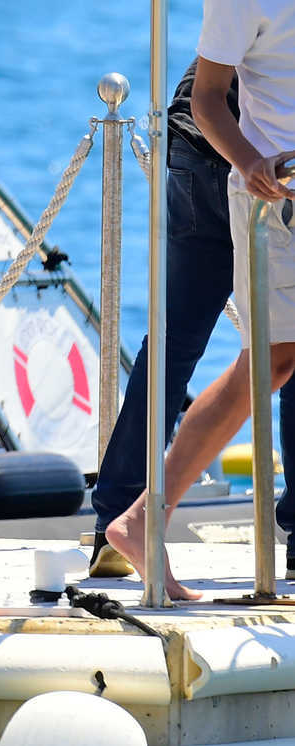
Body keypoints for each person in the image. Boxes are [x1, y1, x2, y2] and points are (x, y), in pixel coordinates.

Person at [107, 0, 295, 599]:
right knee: (271, 362)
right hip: (273, 197)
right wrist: (249, 164)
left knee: (273, 362)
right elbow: (210, 97)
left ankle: (140, 517)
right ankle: (140, 518)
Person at [89, 60, 295, 577]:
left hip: (199, 141)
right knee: (288, 344)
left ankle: (115, 519)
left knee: (174, 340)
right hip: (260, 159)